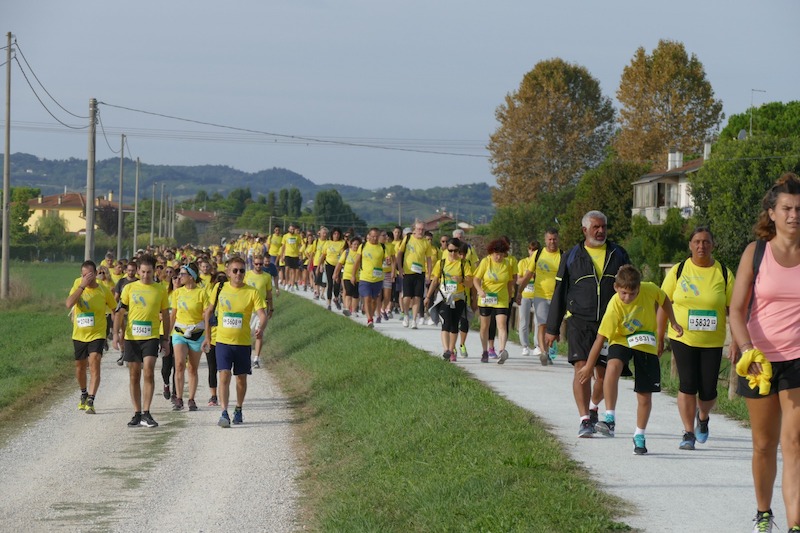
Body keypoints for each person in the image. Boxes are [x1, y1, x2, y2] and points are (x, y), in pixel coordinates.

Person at [728, 172, 800, 532]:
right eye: (786, 208)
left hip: (798, 360)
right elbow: (736, 310)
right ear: (771, 213)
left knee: (795, 443)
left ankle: (795, 524)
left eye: (799, 209)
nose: (794, 215)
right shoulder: (756, 253)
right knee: (763, 444)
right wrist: (746, 350)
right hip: (758, 360)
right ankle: (764, 512)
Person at [577, 265, 683, 454]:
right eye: (624, 293)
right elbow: (600, 339)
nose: (627, 298)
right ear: (616, 288)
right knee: (612, 367)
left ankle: (639, 435)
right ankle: (610, 419)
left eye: (632, 294)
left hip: (645, 340)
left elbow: (665, 299)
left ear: (639, 288)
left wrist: (673, 321)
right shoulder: (614, 306)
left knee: (644, 394)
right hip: (621, 339)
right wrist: (588, 366)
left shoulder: (649, 289)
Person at [545, 210, 630, 438]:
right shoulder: (571, 256)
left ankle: (594, 406)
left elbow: (632, 287)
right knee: (582, 369)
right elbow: (560, 292)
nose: (601, 231)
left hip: (611, 325)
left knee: (603, 377)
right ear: (585, 230)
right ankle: (584, 419)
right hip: (580, 322)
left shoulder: (619, 254)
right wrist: (552, 328)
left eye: (603, 227)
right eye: (596, 227)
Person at [657, 227, 735, 450]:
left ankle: (703, 417)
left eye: (706, 242)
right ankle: (688, 432)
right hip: (683, 336)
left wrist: (738, 341)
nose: (702, 246)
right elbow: (664, 303)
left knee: (708, 390)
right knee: (687, 384)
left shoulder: (723, 272)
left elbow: (735, 309)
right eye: (697, 242)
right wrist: (660, 336)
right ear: (690, 245)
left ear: (713, 245)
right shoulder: (679, 270)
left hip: (712, 340)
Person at [202, 256, 267, 428]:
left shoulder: (252, 292)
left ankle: (238, 408)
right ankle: (224, 412)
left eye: (242, 270)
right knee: (224, 375)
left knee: (241, 379)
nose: (239, 274)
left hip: (243, 342)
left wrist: (261, 326)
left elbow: (262, 313)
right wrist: (207, 337)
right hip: (222, 341)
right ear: (229, 272)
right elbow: (208, 312)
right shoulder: (219, 288)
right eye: (235, 270)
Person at [113, 255, 171, 428]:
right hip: (132, 337)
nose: (146, 275)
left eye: (149, 272)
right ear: (138, 271)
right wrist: (116, 334)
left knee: (149, 371)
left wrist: (165, 339)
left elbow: (166, 316)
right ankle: (137, 413)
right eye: (143, 272)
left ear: (155, 272)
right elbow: (120, 312)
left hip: (151, 336)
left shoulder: (160, 289)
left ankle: (147, 412)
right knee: (134, 374)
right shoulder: (129, 288)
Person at [66, 260, 117, 414]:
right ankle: (83, 393)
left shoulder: (103, 290)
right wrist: (82, 286)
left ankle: (91, 399)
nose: (86, 279)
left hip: (97, 333)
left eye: (89, 276)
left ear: (95, 274)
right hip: (80, 333)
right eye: (83, 276)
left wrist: (116, 332)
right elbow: (69, 303)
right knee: (80, 366)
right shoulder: (78, 284)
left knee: (94, 362)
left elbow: (115, 309)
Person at [169, 262, 209, 412]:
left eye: (183, 274)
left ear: (191, 277)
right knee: (179, 364)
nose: (180, 277)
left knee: (192, 368)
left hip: (197, 333)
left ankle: (191, 399)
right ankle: (179, 398)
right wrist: (168, 334)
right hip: (179, 333)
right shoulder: (177, 293)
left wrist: (207, 336)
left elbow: (206, 315)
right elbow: (173, 314)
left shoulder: (202, 293)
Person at [425, 237, 472, 361]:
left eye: (455, 251)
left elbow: (470, 283)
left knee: (454, 325)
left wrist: (461, 280)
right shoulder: (441, 263)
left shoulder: (464, 264)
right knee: (445, 323)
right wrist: (428, 296)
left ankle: (451, 350)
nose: (452, 253)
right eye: (450, 250)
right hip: (444, 298)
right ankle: (446, 350)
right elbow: (435, 281)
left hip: (458, 298)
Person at [473, 238, 515, 364]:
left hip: (501, 298)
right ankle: (485, 351)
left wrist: (509, 295)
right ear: (491, 253)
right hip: (486, 297)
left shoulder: (507, 264)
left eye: (501, 254)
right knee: (485, 326)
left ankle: (502, 350)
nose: (498, 257)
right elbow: (476, 279)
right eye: (496, 254)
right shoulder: (486, 262)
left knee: (502, 325)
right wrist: (479, 290)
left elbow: (509, 281)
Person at [396, 222, 433, 329]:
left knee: (418, 297)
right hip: (407, 272)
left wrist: (429, 273)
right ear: (414, 230)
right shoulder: (408, 239)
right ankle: (406, 315)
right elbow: (399, 254)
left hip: (420, 273)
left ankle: (414, 320)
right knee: (407, 297)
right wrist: (400, 268)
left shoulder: (426, 243)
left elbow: (429, 259)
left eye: (422, 229)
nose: (420, 231)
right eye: (419, 229)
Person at [351, 228, 386, 328]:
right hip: (365, 278)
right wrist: (353, 275)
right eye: (373, 236)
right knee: (367, 298)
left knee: (374, 300)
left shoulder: (382, 247)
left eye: (376, 236)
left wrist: (388, 262)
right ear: (369, 236)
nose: (374, 238)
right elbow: (357, 262)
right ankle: (369, 319)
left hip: (378, 278)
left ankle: (371, 314)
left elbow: (387, 260)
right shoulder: (363, 246)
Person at [244, 254, 274, 367]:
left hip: (261, 310)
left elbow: (269, 293)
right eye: (256, 264)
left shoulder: (266, 276)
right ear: (253, 263)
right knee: (246, 334)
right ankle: (246, 357)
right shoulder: (247, 275)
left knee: (259, 334)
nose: (258, 266)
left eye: (261, 264)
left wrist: (271, 308)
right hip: (248, 309)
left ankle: (256, 358)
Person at [515, 241, 540, 358]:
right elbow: (518, 281)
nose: (533, 252)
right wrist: (528, 277)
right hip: (525, 294)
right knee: (524, 321)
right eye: (531, 250)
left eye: (535, 250)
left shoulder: (541, 262)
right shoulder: (522, 262)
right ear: (528, 250)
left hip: (538, 295)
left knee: (538, 321)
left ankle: (537, 345)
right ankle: (524, 346)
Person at [319, 227, 346, 311]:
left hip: (338, 265)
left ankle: (336, 298)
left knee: (337, 283)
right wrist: (320, 265)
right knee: (330, 283)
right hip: (328, 264)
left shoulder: (342, 243)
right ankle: (329, 302)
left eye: (338, 234)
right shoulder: (328, 243)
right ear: (332, 234)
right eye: (334, 234)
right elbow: (323, 255)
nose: (336, 235)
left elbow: (344, 254)